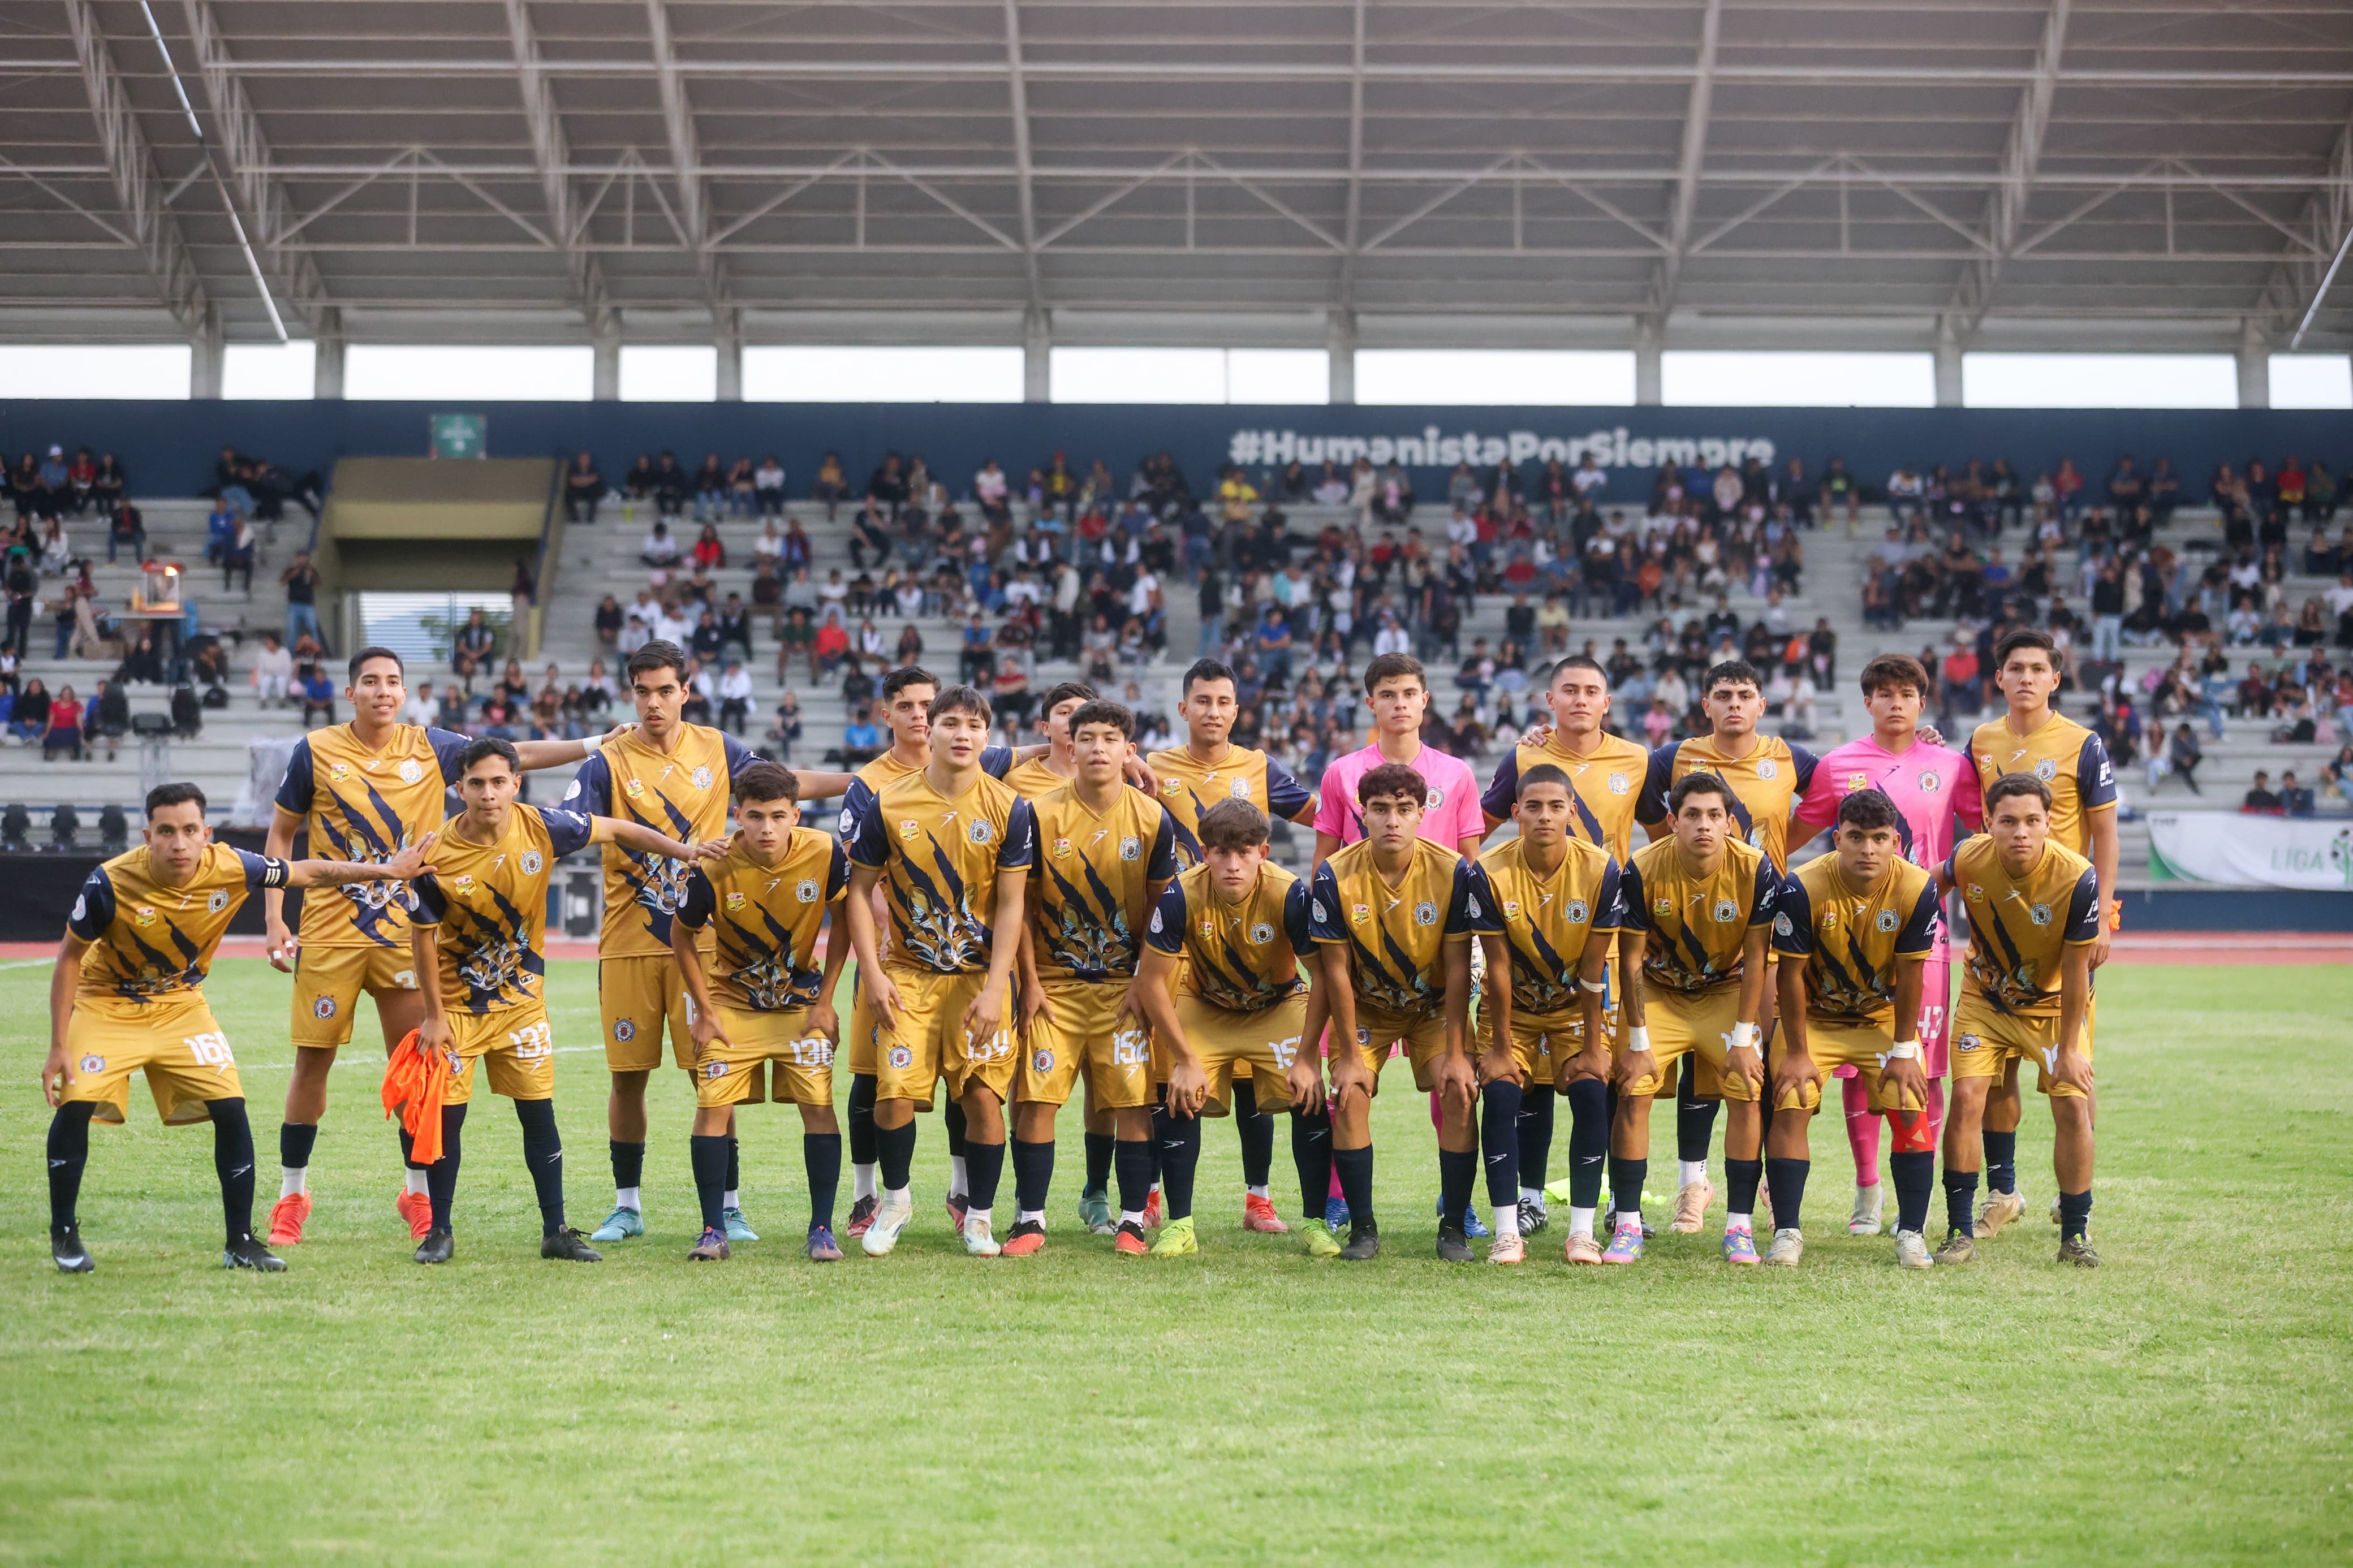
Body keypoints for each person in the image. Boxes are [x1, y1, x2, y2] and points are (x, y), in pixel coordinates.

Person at [261, 647, 615, 1246]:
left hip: (406, 932)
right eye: (370, 681)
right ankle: (292, 1195)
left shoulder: (432, 746)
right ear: (351, 692)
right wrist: (274, 917)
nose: (382, 690)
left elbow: (514, 756)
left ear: (404, 693)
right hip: (330, 931)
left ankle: (418, 1197)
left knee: (418, 1072)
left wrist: (593, 744)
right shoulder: (315, 750)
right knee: (311, 1066)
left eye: (392, 681)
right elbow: (281, 832)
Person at [42, 782, 432, 1273]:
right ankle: (64, 1234)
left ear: (206, 834)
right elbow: (69, 958)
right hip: (107, 1001)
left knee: (230, 1106)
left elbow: (308, 871)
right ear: (148, 836)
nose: (179, 843)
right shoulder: (109, 883)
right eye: (166, 831)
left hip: (180, 1002)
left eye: (189, 830)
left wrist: (389, 870)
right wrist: (58, 1046)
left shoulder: (232, 865)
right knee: (76, 1104)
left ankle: (241, 1242)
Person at [563, 642, 847, 1246]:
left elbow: (785, 785)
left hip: (706, 943)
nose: (654, 703)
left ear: (685, 692)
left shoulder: (718, 747)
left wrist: (864, 782)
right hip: (629, 941)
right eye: (643, 691)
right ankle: (627, 1205)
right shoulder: (607, 762)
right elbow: (575, 827)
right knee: (628, 1078)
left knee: (714, 1079)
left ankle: (729, 1209)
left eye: (665, 690)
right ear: (631, 694)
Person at [404, 738, 714, 1265]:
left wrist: (681, 851)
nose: (488, 793)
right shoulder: (434, 855)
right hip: (458, 1009)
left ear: (516, 783)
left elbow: (617, 828)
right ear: (459, 788)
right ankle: (440, 1231)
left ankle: (556, 1231)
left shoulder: (544, 827)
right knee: (448, 1119)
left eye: (498, 782)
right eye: (476, 783)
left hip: (521, 1004)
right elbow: (422, 939)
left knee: (539, 1113)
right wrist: (434, 1015)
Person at [1787, 654, 1978, 1236]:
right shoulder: (1837, 764)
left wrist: (1947, 877)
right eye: (1885, 694)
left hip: (1925, 940)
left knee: (1922, 1067)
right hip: (1846, 941)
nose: (1896, 703)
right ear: (1867, 702)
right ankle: (1867, 1187)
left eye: (1906, 694)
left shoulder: (1950, 764)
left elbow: (1987, 832)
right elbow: (1788, 834)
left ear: (1922, 702)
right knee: (1853, 1069)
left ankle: (1912, 1203)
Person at [842, 685, 1036, 1257]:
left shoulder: (1010, 807)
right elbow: (858, 892)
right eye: (950, 723)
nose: (962, 734)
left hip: (979, 978)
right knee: (892, 1093)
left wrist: (998, 985)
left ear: (987, 736)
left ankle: (979, 1219)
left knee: (981, 1098)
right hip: (907, 974)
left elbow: (1012, 905)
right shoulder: (889, 802)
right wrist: (872, 973)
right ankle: (895, 1202)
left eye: (974, 725)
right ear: (932, 730)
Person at [1634, 658, 1820, 1233]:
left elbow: (1837, 794)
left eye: (1744, 694)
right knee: (1698, 1067)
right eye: (1723, 694)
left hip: (1760, 929)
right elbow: (1643, 808)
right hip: (1688, 930)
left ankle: (1764, 1180)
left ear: (1762, 704)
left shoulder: (1790, 757)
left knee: (1757, 1061)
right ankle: (1693, 1184)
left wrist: (1781, 846)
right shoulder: (1673, 757)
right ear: (1705, 704)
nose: (1734, 703)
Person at [1144, 658, 1319, 1234]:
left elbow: (1327, 816)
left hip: (1255, 931)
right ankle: (1152, 1196)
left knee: (1252, 1082)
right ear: (1183, 708)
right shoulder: (1152, 768)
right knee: (1167, 1079)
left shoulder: (1260, 767)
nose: (1212, 711)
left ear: (1237, 711)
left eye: (1223, 702)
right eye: (1202, 701)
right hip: (1182, 936)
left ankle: (1258, 1198)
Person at [1477, 654, 1649, 1234]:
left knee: (1606, 1078)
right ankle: (1528, 1198)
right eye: (1568, 690)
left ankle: (1614, 1200)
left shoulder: (1637, 758)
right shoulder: (1523, 756)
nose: (1580, 699)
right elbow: (1479, 826)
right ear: (1550, 700)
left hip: (1602, 934)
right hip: (1531, 927)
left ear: (1606, 701)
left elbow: (1661, 833)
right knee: (1534, 1084)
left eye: (1591, 690)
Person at [1961, 628, 2116, 1237]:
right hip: (1999, 927)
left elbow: (2105, 833)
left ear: (2055, 677)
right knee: (1994, 1071)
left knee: (2071, 1066)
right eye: (2015, 668)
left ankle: (2075, 1196)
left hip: (2063, 925)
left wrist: (2103, 915)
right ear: (1998, 677)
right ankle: (2003, 1192)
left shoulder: (2083, 743)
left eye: (2037, 668)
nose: (2025, 677)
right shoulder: (1981, 740)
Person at [1007, 699, 1176, 1254]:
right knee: (1037, 1100)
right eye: (1087, 738)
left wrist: (1143, 983)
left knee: (1131, 1102)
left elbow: (1162, 913)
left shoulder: (1151, 818)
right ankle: (1030, 1220)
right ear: (1070, 745)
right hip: (1053, 987)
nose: (1098, 747)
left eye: (1109, 738)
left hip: (1123, 989)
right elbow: (1020, 906)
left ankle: (1131, 1222)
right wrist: (1030, 983)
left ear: (1129, 750)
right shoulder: (1037, 813)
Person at [669, 763, 854, 1262]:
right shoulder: (713, 865)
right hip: (731, 1006)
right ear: (738, 816)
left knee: (819, 1107)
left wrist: (826, 1001)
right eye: (755, 816)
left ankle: (822, 1229)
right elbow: (681, 934)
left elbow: (844, 922)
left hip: (802, 1007)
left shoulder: (825, 852)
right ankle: (713, 1230)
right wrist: (704, 1010)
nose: (766, 828)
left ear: (796, 814)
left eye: (777, 816)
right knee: (712, 1109)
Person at [1131, 798, 1332, 1255]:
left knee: (1309, 1094)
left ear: (1264, 852)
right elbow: (1151, 980)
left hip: (1276, 1005)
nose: (1233, 864)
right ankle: (1181, 1225)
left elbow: (1322, 974)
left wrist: (1307, 1056)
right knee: (1180, 1092)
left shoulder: (1289, 892)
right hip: (1207, 1005)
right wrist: (1184, 1058)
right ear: (1205, 853)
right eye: (1222, 852)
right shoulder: (1181, 893)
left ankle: (1316, 1223)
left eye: (1244, 852)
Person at [1302, 763, 1481, 1261]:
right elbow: (1335, 972)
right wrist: (1348, 1055)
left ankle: (1453, 1227)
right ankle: (1363, 1228)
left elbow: (1458, 965)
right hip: (1367, 1009)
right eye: (1380, 809)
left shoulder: (1453, 870)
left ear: (1423, 813)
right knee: (1350, 1093)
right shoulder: (1334, 874)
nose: (1392, 820)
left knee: (1459, 1090)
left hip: (1432, 1009)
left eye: (1404, 809)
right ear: (1363, 814)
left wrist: (1456, 1053)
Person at [1602, 774, 1778, 1264]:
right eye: (1693, 815)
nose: (1704, 825)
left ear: (1730, 823)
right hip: (1660, 992)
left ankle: (1739, 1227)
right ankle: (1628, 1224)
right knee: (1633, 1089)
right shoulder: (1642, 867)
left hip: (1725, 990)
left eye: (1714, 815)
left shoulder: (1756, 868)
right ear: (1673, 822)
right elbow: (1631, 959)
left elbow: (1757, 958)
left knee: (1747, 1088)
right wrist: (1638, 1040)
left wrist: (1742, 1038)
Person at [1932, 774, 2101, 1268]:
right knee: (1968, 1098)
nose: (2020, 832)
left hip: (2053, 1004)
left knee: (2072, 1106)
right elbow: (1924, 884)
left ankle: (2075, 1234)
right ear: (1989, 822)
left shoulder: (2078, 877)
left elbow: (2077, 971)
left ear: (2050, 822)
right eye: (2007, 821)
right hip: (1985, 1000)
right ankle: (1959, 1231)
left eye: (2031, 820)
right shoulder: (1969, 856)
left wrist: (2069, 1049)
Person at [1769, 791, 1942, 1269]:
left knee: (1909, 1101)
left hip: (1880, 1018)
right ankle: (1787, 1232)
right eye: (1857, 837)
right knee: (1791, 1098)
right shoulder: (1802, 886)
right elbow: (1789, 975)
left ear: (1896, 843)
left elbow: (1912, 974)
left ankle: (1911, 1233)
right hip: (1814, 1020)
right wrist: (1797, 1052)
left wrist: (1904, 1049)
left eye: (1879, 838)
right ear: (1837, 838)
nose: (1868, 848)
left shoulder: (1917, 888)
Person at [1464, 764, 1619, 1263]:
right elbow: (1497, 966)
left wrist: (1593, 1048)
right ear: (1516, 813)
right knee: (1501, 1095)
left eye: (1556, 806)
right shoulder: (1489, 870)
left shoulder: (1601, 869)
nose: (1545, 816)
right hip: (1513, 1009)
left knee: (1593, 1093)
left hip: (1575, 1006)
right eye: (1534, 806)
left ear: (1572, 811)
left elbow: (1594, 970)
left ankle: (1582, 1232)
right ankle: (1508, 1231)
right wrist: (1500, 1049)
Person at [281, 551, 323, 650]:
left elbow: (319, 583)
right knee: (292, 631)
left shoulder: (311, 570)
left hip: (308, 605)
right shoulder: (291, 570)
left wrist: (311, 576)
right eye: (300, 558)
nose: (302, 560)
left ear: (307, 559)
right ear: (296, 559)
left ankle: (315, 652)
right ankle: (290, 654)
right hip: (294, 605)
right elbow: (283, 582)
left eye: (304, 558)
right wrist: (293, 575)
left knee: (312, 629)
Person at [41, 683, 82, 761]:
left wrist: (82, 732)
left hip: (71, 728)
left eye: (69, 694)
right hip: (57, 728)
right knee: (52, 735)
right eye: (65, 693)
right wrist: (47, 732)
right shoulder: (54, 705)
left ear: (72, 695)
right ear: (62, 694)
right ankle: (51, 753)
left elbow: (79, 720)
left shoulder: (76, 705)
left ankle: (73, 753)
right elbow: (51, 721)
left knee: (73, 734)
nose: (67, 695)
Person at [565, 450, 604, 524]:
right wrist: (586, 481)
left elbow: (594, 478)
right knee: (568, 495)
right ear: (579, 460)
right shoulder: (574, 468)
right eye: (582, 459)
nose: (584, 461)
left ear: (589, 460)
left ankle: (590, 518)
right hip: (577, 490)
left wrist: (581, 481)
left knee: (594, 493)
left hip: (589, 491)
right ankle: (575, 518)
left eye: (586, 459)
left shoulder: (593, 468)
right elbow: (573, 481)